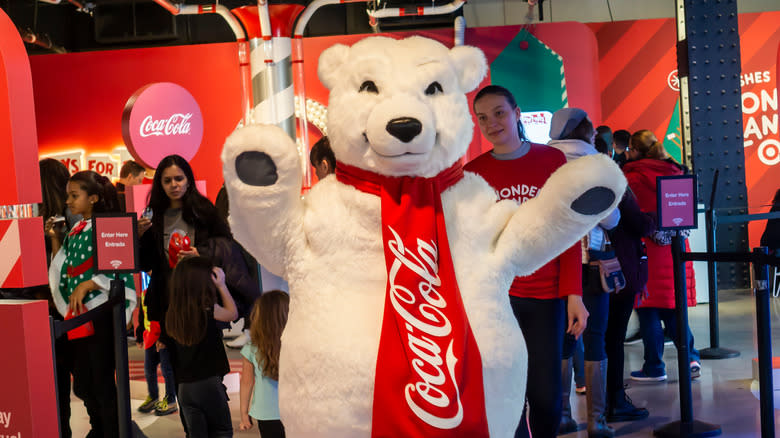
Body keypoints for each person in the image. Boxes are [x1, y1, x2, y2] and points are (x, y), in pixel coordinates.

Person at [465, 85, 588, 438]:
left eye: (499, 113)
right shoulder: (473, 174)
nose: (492, 123)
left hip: (547, 298)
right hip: (498, 301)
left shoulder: (551, 162)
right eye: (483, 118)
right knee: (508, 395)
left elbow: (565, 232)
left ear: (517, 113)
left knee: (547, 397)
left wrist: (574, 294)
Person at [47, 170, 136, 438]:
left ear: (94, 198)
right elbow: (64, 265)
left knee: (101, 381)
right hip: (80, 315)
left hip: (99, 314)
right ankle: (98, 428)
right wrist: (55, 237)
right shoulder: (76, 230)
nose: (69, 202)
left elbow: (118, 269)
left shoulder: (108, 228)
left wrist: (90, 284)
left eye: (75, 196)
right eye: (68, 197)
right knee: (85, 381)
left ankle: (110, 431)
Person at [549, 108, 621, 438]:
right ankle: (597, 421)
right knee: (595, 337)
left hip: (554, 262)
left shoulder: (543, 161)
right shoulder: (596, 164)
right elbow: (612, 219)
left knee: (562, 338)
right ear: (585, 132)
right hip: (593, 261)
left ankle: (562, 416)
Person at [623, 130, 700, 383]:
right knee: (673, 307)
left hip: (646, 250)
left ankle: (654, 367)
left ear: (634, 150)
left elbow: (632, 217)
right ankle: (691, 359)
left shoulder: (632, 177)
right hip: (675, 248)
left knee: (648, 310)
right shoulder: (676, 171)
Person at [166, 256, 238, 438]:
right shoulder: (207, 310)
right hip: (209, 384)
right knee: (222, 432)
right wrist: (222, 285)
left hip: (184, 388)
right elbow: (232, 313)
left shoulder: (173, 315)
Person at [239, 291, 289, 438]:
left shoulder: (251, 348)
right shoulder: (295, 347)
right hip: (293, 410)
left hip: (265, 412)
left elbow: (246, 383)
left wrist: (244, 414)